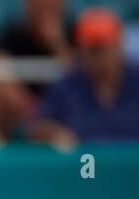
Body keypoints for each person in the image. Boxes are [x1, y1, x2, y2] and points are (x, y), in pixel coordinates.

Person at [31, 8, 139, 144]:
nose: (99, 58)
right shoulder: (65, 86)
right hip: (83, 163)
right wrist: (55, 133)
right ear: (80, 50)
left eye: (103, 49)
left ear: (119, 47)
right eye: (92, 50)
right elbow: (38, 126)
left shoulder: (136, 80)